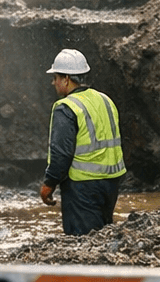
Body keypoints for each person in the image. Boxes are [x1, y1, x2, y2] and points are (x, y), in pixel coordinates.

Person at [40, 49, 126, 235]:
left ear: (66, 79)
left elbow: (61, 153)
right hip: (111, 183)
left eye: (56, 77)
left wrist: (49, 183)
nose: (53, 82)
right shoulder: (105, 100)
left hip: (82, 186)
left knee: (82, 242)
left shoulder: (66, 107)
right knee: (102, 238)